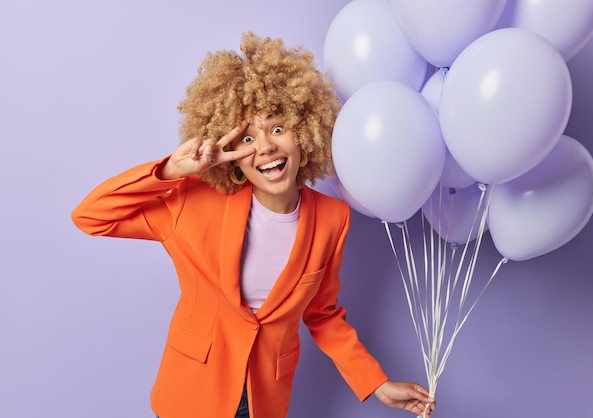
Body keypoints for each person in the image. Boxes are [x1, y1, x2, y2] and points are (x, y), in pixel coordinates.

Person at [71, 32, 435, 418]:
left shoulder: (332, 218)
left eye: (278, 128)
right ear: (232, 154)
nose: (265, 147)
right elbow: (91, 216)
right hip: (191, 394)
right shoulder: (193, 202)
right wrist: (168, 171)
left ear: (304, 132)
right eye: (247, 137)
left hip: (264, 399)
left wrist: (375, 383)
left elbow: (322, 314)